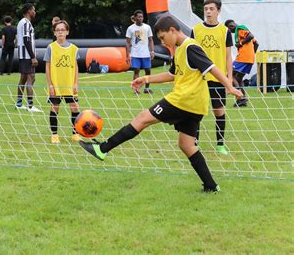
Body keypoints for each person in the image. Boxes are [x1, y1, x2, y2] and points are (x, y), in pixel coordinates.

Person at [79, 16, 243, 192]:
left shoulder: (191, 47)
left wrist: (229, 86)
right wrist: (146, 78)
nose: (163, 42)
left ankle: (102, 149)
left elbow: (212, 68)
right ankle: (211, 185)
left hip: (183, 100)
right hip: (195, 105)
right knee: (186, 145)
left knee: (143, 118)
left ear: (173, 30)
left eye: (163, 38)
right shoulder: (180, 49)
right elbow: (172, 75)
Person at [191, 0, 233, 155]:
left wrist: (229, 79)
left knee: (219, 112)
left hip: (218, 79)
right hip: (199, 79)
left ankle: (220, 145)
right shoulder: (195, 30)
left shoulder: (225, 31)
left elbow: (228, 57)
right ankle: (194, 144)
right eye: (206, 9)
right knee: (196, 112)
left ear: (218, 11)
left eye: (211, 9)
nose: (208, 12)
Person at [44, 20, 81, 144]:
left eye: (62, 30)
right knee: (55, 107)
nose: (60, 32)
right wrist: (50, 85)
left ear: (67, 32)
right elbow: (47, 68)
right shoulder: (51, 48)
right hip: (56, 85)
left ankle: (75, 133)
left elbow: (76, 67)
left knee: (75, 107)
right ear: (54, 33)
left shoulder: (74, 49)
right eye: (57, 30)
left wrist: (76, 83)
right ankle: (54, 135)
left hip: (69, 84)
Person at [15, 3, 42, 112]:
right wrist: (33, 57)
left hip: (23, 55)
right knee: (31, 78)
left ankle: (19, 103)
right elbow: (26, 40)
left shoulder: (22, 22)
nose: (35, 12)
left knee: (23, 78)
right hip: (26, 55)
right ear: (29, 11)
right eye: (34, 10)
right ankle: (30, 106)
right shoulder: (26, 23)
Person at [225, 19, 257, 107]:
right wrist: (251, 54)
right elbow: (256, 43)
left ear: (230, 27)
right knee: (238, 78)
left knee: (229, 75)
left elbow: (250, 36)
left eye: (229, 30)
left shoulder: (239, 30)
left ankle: (240, 96)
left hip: (243, 57)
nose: (231, 32)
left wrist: (240, 43)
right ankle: (242, 100)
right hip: (250, 59)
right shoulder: (245, 29)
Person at [125, 10, 155, 94]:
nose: (141, 18)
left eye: (142, 17)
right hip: (135, 54)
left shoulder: (147, 27)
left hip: (146, 54)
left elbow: (151, 40)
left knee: (148, 70)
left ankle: (147, 88)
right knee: (136, 70)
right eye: (139, 17)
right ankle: (136, 89)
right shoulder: (130, 28)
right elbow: (127, 42)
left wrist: (152, 51)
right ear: (135, 18)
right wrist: (127, 55)